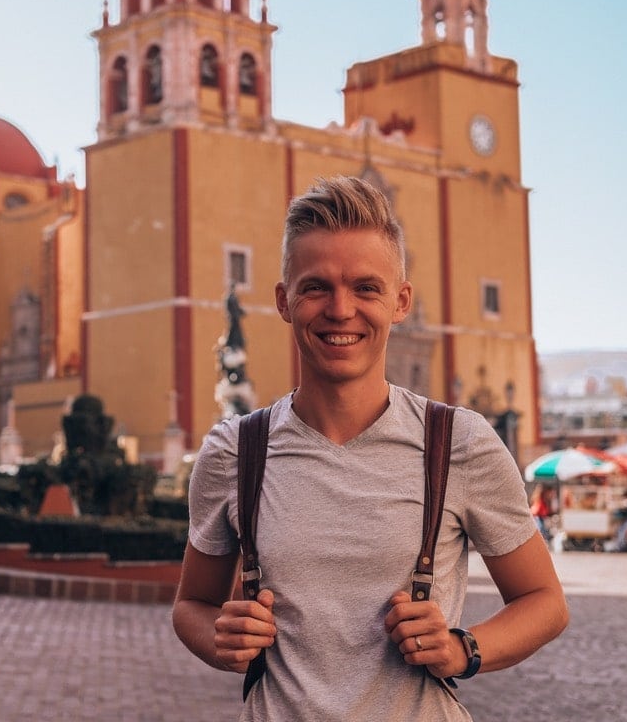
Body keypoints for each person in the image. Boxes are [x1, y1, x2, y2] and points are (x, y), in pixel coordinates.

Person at [172, 176, 569, 720]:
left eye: (365, 287)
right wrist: (222, 637)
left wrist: (462, 649)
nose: (340, 309)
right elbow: (190, 605)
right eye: (316, 288)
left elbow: (544, 602)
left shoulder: (459, 443)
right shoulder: (235, 452)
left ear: (400, 301)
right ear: (285, 302)